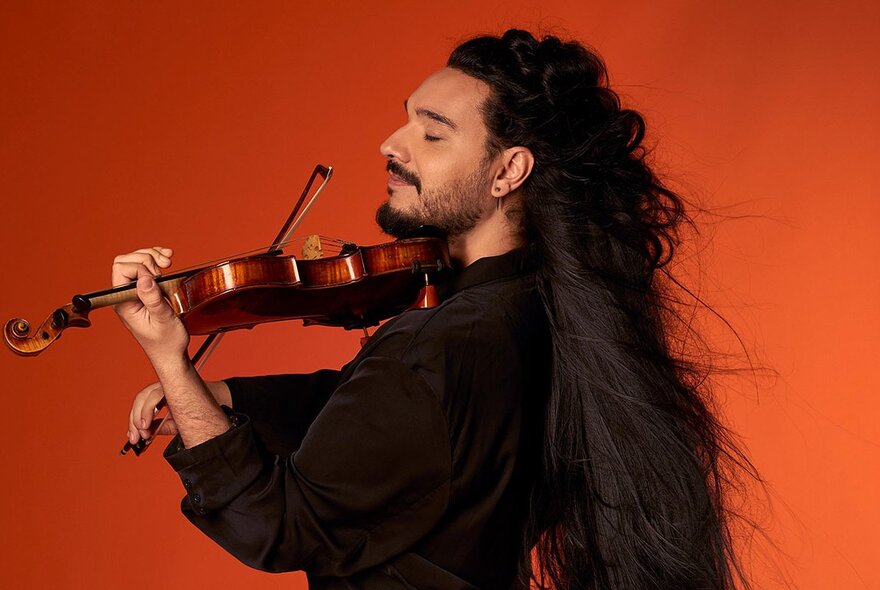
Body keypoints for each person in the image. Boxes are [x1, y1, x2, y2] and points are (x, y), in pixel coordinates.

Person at [117, 30, 750, 590]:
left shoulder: (439, 345)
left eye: (433, 132)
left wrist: (172, 360)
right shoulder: (538, 306)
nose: (391, 144)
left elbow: (275, 524)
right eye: (405, 121)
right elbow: (373, 416)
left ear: (508, 171)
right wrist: (224, 399)